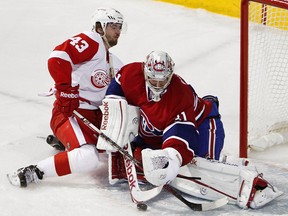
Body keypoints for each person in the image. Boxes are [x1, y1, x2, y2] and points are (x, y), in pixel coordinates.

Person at [7, 7, 126, 187]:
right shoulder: (93, 40)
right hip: (69, 113)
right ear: (100, 27)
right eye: (113, 26)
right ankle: (34, 171)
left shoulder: (115, 63)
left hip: (93, 117)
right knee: (89, 158)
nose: (117, 31)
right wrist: (65, 90)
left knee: (118, 148)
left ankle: (65, 141)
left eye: (119, 27)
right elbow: (58, 57)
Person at [101, 50, 225, 186]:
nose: (158, 86)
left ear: (170, 76)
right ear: (145, 73)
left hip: (202, 123)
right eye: (154, 80)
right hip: (160, 126)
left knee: (203, 172)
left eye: (163, 80)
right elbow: (117, 87)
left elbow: (181, 135)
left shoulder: (180, 96)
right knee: (142, 155)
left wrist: (171, 158)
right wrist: (114, 121)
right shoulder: (132, 74)